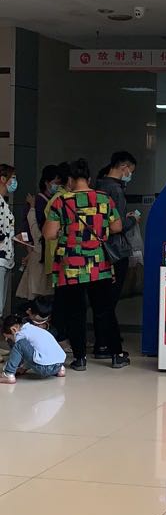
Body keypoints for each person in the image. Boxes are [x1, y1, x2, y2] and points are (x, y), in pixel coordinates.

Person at [44, 158, 129, 371]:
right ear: (89, 179)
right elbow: (117, 227)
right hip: (99, 265)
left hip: (71, 265)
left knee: (75, 312)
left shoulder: (61, 201)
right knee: (105, 310)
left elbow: (49, 233)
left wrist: (65, 231)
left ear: (70, 180)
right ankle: (117, 355)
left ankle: (80, 358)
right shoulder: (104, 198)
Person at [92, 151, 139, 358]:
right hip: (115, 251)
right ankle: (109, 346)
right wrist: (133, 220)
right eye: (131, 170)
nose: (130, 175)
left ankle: (101, 343)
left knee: (100, 300)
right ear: (124, 166)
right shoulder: (116, 190)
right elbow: (116, 226)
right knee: (109, 302)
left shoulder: (98, 186)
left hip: (97, 250)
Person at [15, 166, 60, 305]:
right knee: (39, 295)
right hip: (39, 253)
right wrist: (30, 250)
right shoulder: (40, 202)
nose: (58, 186)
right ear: (47, 182)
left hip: (42, 254)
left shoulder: (48, 201)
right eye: (56, 182)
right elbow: (29, 230)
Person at [1, 312, 66, 384]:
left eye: (9, 338)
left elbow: (20, 357)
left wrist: (8, 368)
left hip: (45, 369)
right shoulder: (34, 329)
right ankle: (61, 370)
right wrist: (24, 368)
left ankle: (8, 374)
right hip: (59, 365)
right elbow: (33, 352)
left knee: (19, 344)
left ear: (13, 329)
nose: (8, 340)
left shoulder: (20, 334)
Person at [0, 163, 17, 316]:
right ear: (3, 179)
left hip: (5, 258)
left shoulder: (3, 202)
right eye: (13, 178)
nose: (14, 182)